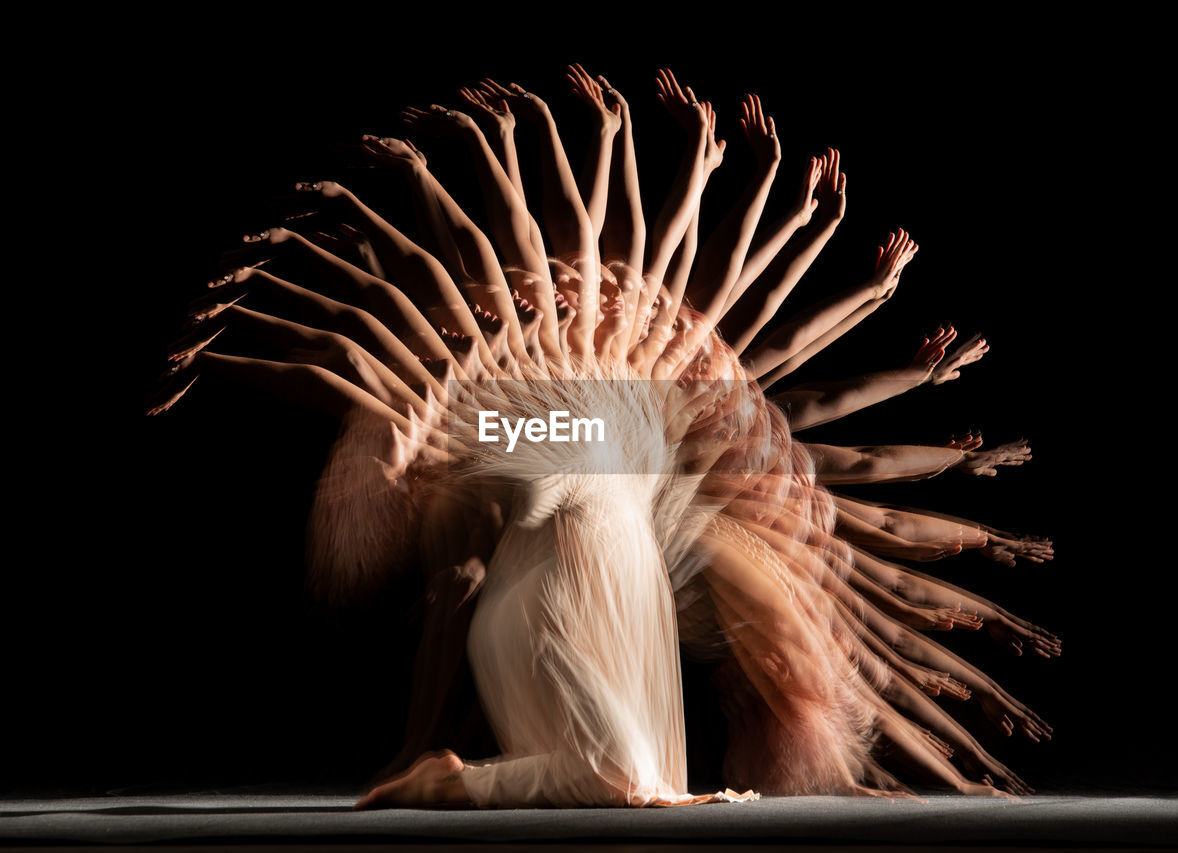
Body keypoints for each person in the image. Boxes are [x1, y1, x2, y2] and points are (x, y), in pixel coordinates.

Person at [150, 65, 1054, 807]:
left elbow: (834, 444)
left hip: (577, 439)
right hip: (578, 411)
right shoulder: (748, 552)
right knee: (478, 411)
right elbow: (794, 365)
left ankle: (433, 748)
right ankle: (434, 746)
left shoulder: (707, 569)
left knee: (500, 562)